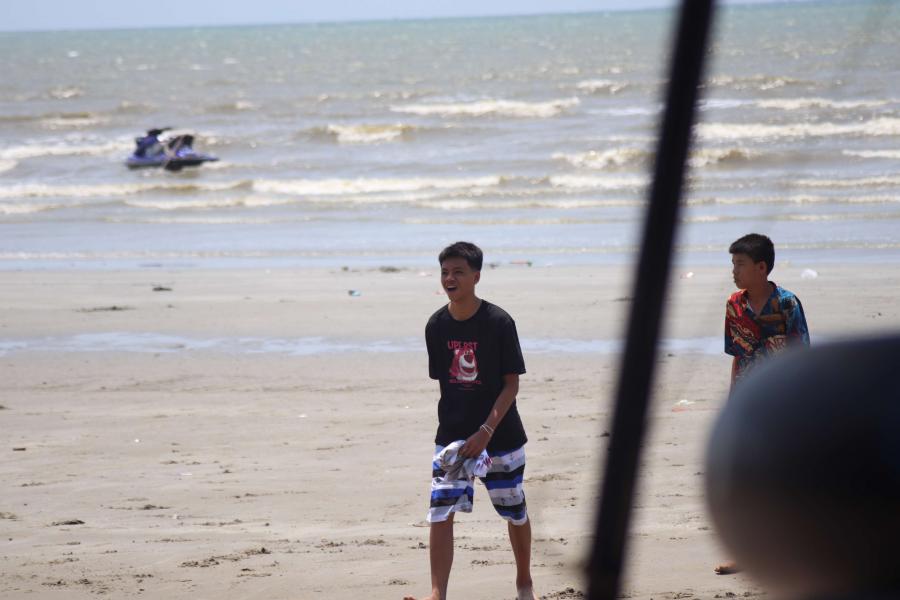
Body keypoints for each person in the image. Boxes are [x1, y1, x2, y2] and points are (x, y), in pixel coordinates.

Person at [406, 241, 536, 600]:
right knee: (441, 509)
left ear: (476, 277)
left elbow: (511, 385)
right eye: (445, 272)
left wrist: (485, 431)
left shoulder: (499, 322)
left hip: (501, 433)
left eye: (458, 272)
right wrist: (463, 434)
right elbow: (446, 383)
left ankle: (524, 582)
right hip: (453, 435)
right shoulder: (436, 325)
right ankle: (437, 593)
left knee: (514, 510)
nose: (450, 278)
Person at [715, 233, 810, 575]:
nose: (734, 271)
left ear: (761, 267)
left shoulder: (787, 303)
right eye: (732, 264)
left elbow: (801, 356)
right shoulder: (734, 305)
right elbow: (738, 356)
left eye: (740, 264)